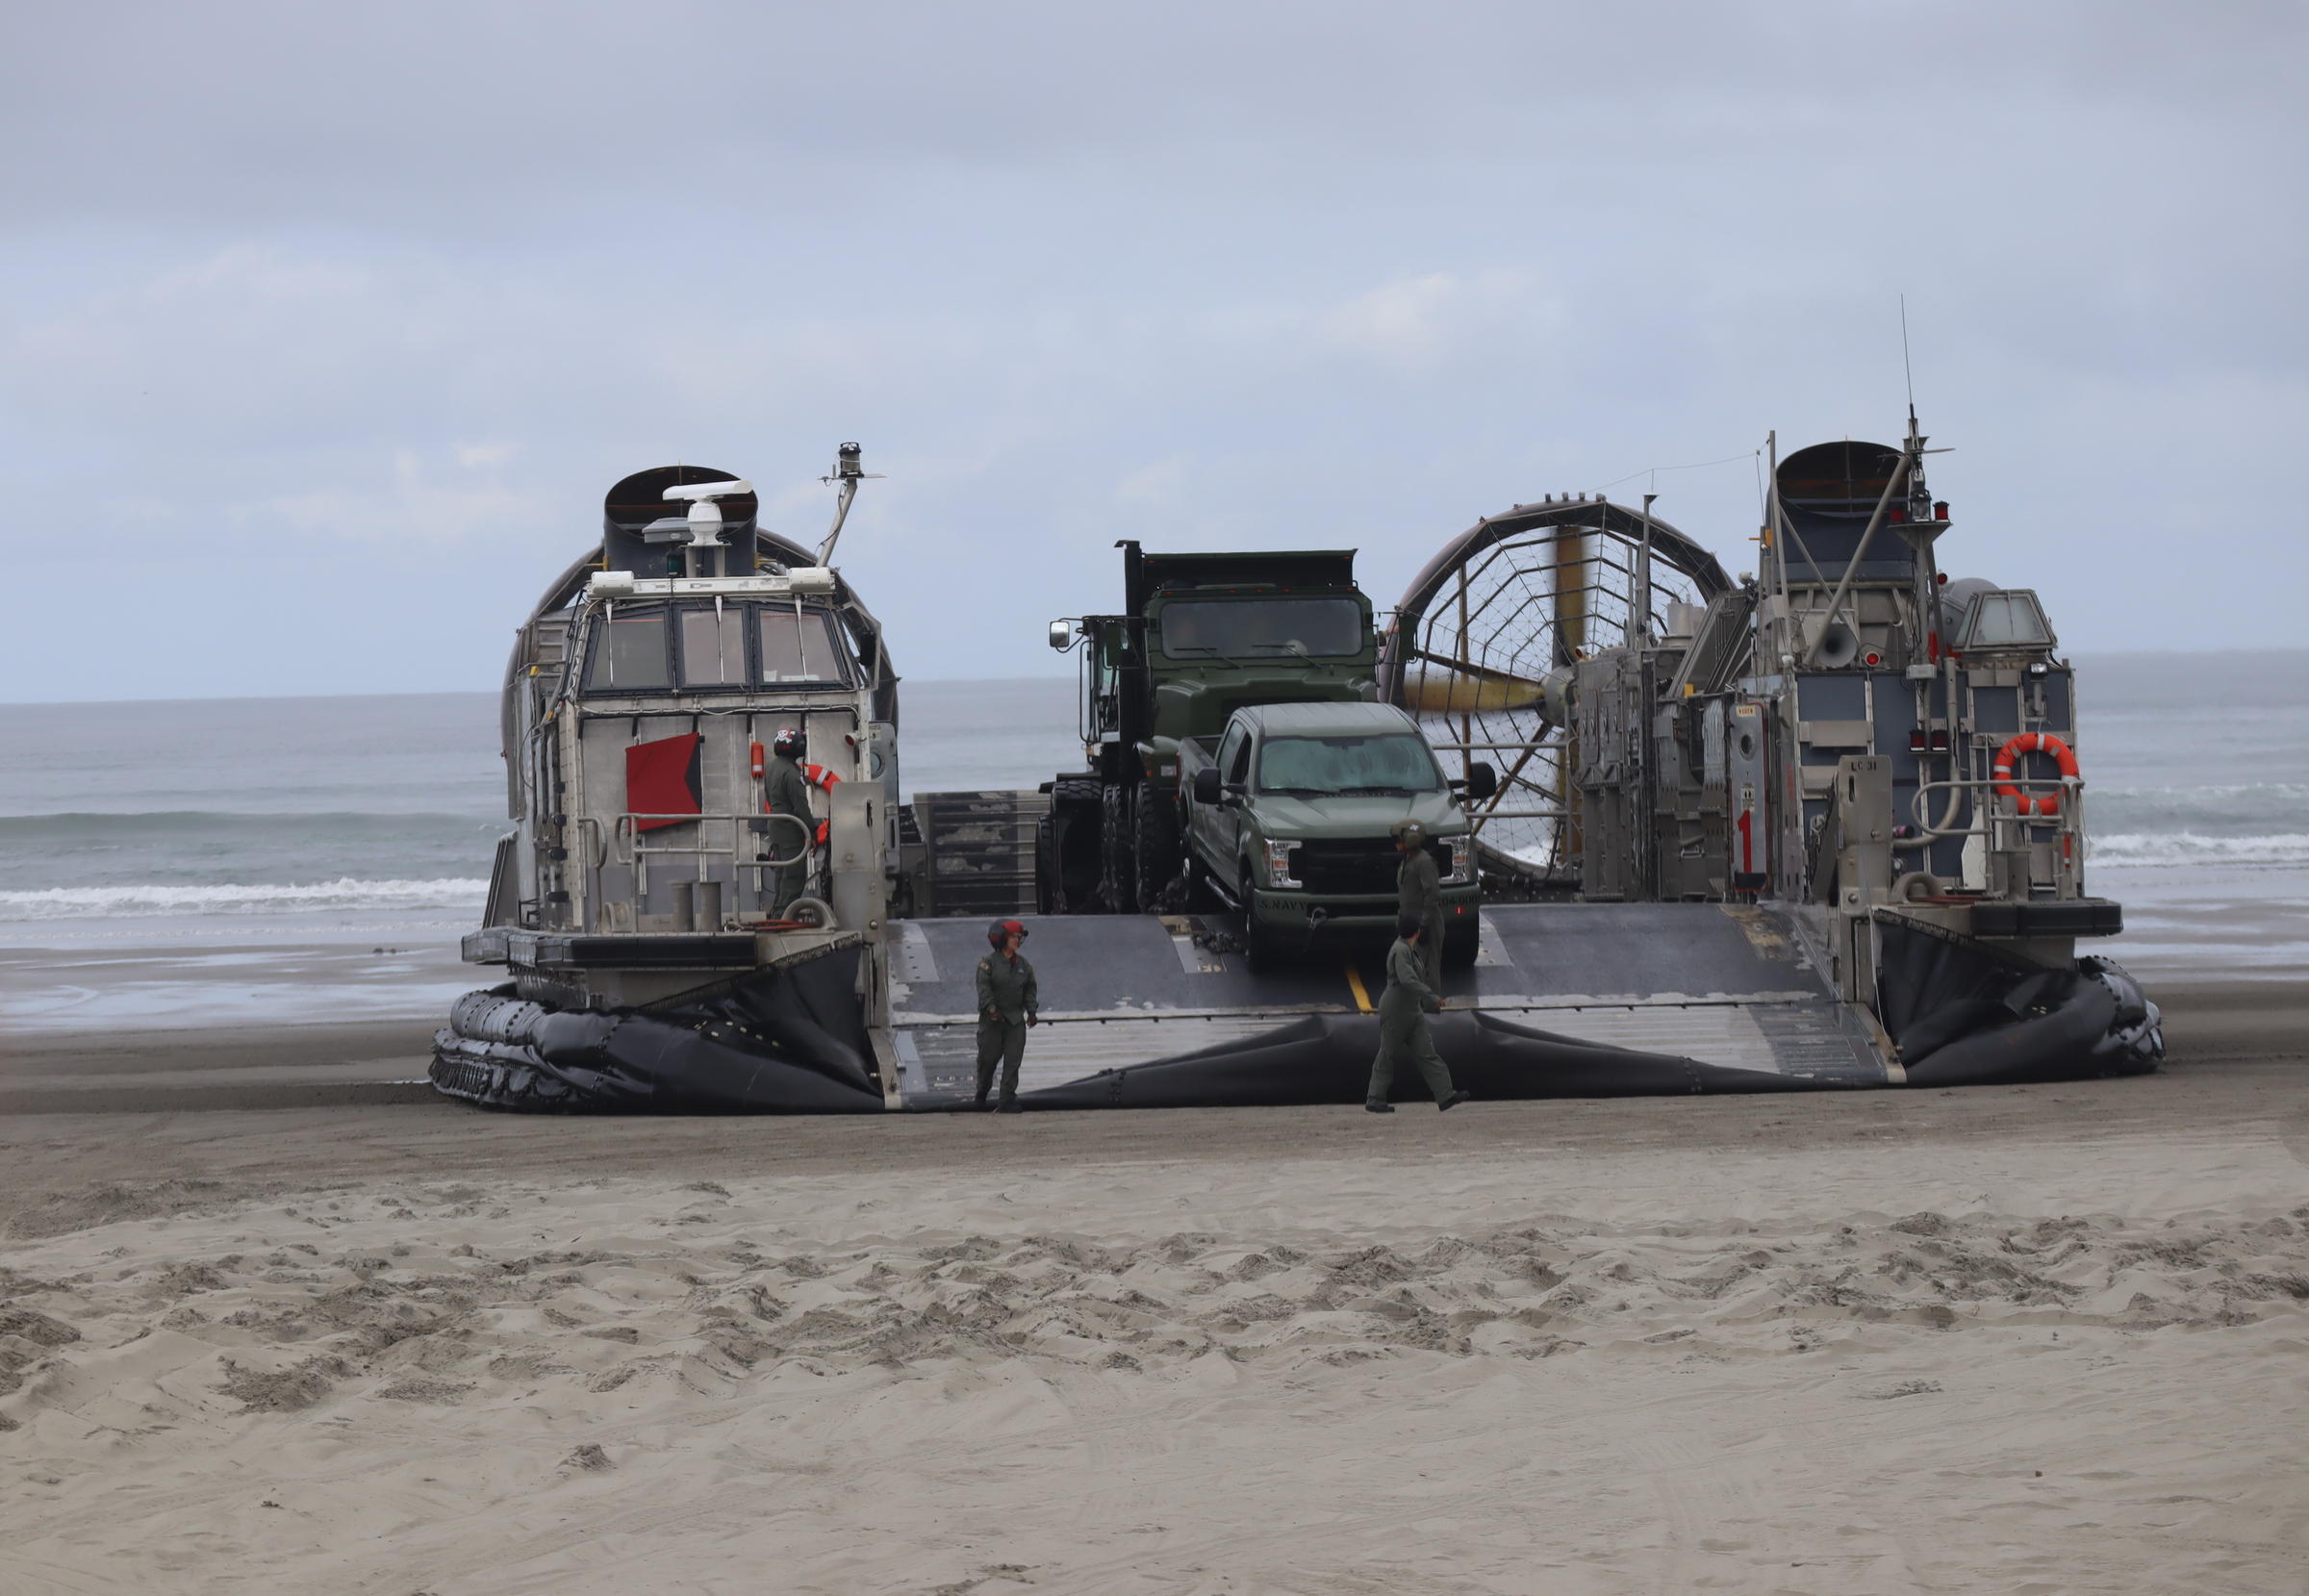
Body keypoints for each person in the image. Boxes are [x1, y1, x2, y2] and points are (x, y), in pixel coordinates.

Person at [1365, 912, 1470, 1114]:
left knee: (1427, 1052)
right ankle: (1374, 1098)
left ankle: (1445, 1094)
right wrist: (1430, 996)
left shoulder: (1407, 950)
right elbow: (1407, 980)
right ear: (1417, 932)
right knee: (1387, 1054)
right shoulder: (1401, 951)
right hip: (1396, 1011)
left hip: (1412, 1011)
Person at [975, 918, 1039, 1112]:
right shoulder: (988, 964)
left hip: (1015, 1020)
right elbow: (984, 989)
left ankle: (1007, 1099)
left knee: (1013, 1061)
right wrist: (991, 1009)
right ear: (1002, 938)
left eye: (1019, 937)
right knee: (988, 1060)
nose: (1017, 940)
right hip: (992, 1021)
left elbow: (1030, 989)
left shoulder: (1023, 966)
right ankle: (982, 1093)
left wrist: (1032, 1011)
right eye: (1013, 936)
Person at [764, 726, 813, 913]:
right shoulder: (791, 773)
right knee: (794, 875)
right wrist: (812, 831)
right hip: (790, 828)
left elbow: (768, 797)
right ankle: (784, 917)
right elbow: (800, 805)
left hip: (775, 826)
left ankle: (776, 914)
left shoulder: (770, 767)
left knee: (781, 873)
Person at [1393, 818, 1445, 989]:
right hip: (1411, 922)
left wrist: (1422, 925)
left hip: (1424, 923)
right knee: (1412, 968)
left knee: (1427, 969)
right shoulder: (1408, 860)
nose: (1396, 843)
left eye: (1398, 839)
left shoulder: (1424, 862)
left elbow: (1433, 895)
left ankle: (1430, 1009)